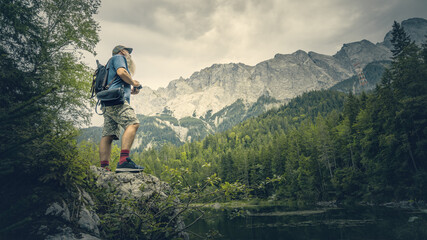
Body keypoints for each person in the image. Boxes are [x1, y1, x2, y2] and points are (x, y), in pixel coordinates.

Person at [99, 45, 144, 173]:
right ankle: (124, 161)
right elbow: (121, 72)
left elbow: (116, 81)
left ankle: (104, 168)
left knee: (108, 134)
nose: (129, 56)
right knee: (133, 124)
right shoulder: (119, 57)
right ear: (123, 52)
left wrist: (131, 89)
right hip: (117, 101)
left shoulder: (109, 64)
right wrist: (134, 82)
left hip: (107, 102)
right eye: (128, 53)